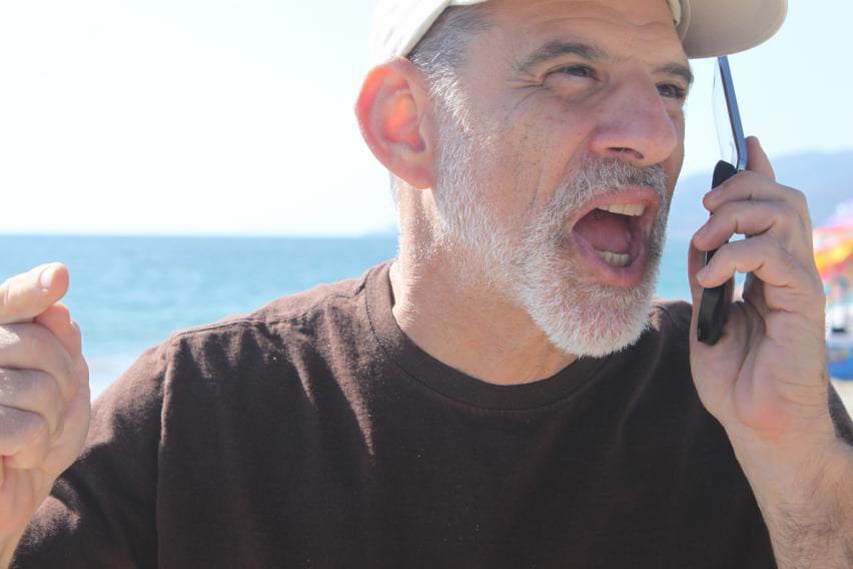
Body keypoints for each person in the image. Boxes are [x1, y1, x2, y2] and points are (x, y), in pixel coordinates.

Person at [2, 0, 852, 566]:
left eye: (668, 87)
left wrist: (799, 468)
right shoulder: (191, 417)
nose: (655, 135)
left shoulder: (747, 410)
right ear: (406, 126)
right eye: (573, 72)